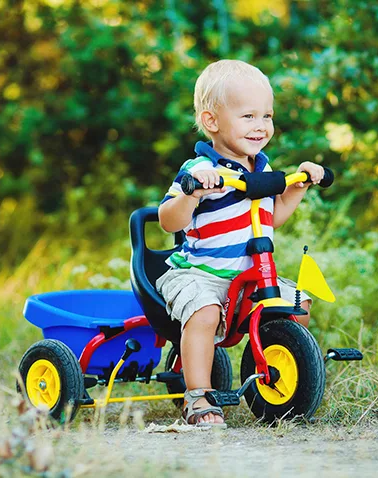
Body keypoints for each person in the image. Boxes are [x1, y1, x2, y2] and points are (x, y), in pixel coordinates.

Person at [156, 59, 325, 428]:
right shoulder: (199, 169)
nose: (261, 126)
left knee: (298, 305)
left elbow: (272, 217)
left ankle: (279, 366)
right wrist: (193, 193)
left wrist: (298, 185)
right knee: (204, 313)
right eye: (248, 116)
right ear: (212, 121)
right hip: (200, 273)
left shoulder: (262, 170)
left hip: (249, 277)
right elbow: (169, 220)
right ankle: (198, 396)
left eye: (267, 116)